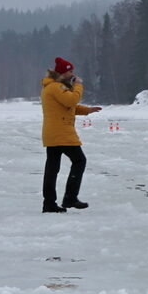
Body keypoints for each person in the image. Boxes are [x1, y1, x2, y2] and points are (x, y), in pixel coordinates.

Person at [41, 57, 102, 213]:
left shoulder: (54, 86)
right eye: (70, 71)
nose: (72, 73)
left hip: (53, 133)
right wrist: (78, 85)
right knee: (79, 161)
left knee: (52, 168)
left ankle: (49, 203)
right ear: (63, 72)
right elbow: (71, 100)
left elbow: (67, 106)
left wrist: (87, 110)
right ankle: (70, 198)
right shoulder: (56, 87)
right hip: (61, 133)